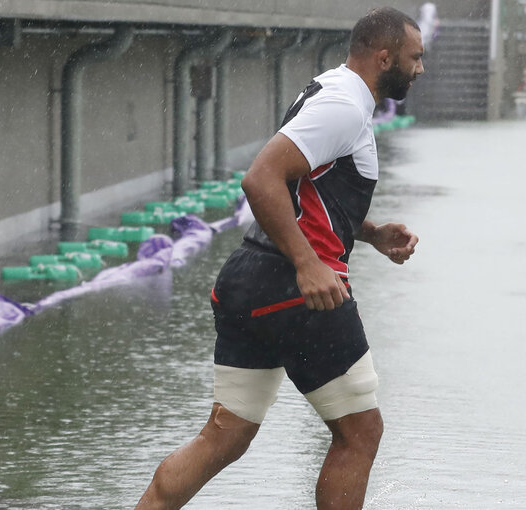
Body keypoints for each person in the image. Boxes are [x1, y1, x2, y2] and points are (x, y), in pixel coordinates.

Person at [136, 7, 424, 510]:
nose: (420, 68)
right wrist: (309, 263)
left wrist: (371, 232)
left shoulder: (328, 89)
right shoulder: (344, 106)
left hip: (251, 280)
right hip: (296, 291)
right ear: (384, 57)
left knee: (225, 436)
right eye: (415, 57)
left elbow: (301, 192)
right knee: (360, 434)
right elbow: (260, 179)